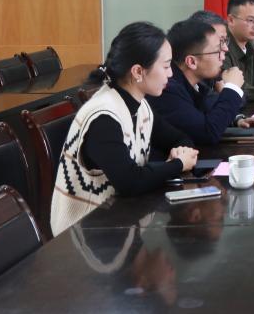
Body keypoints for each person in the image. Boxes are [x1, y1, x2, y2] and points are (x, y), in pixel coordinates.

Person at [51, 22, 199, 236]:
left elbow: (180, 138)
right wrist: (178, 164)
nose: (171, 75)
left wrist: (180, 151)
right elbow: (130, 182)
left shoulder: (140, 106)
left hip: (118, 224)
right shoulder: (104, 117)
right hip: (83, 235)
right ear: (138, 71)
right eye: (166, 66)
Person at [149, 19, 254, 145]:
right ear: (192, 62)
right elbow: (208, 133)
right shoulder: (167, 90)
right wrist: (232, 88)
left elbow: (212, 110)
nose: (225, 52)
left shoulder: (197, 83)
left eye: (224, 43)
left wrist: (237, 120)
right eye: (218, 50)